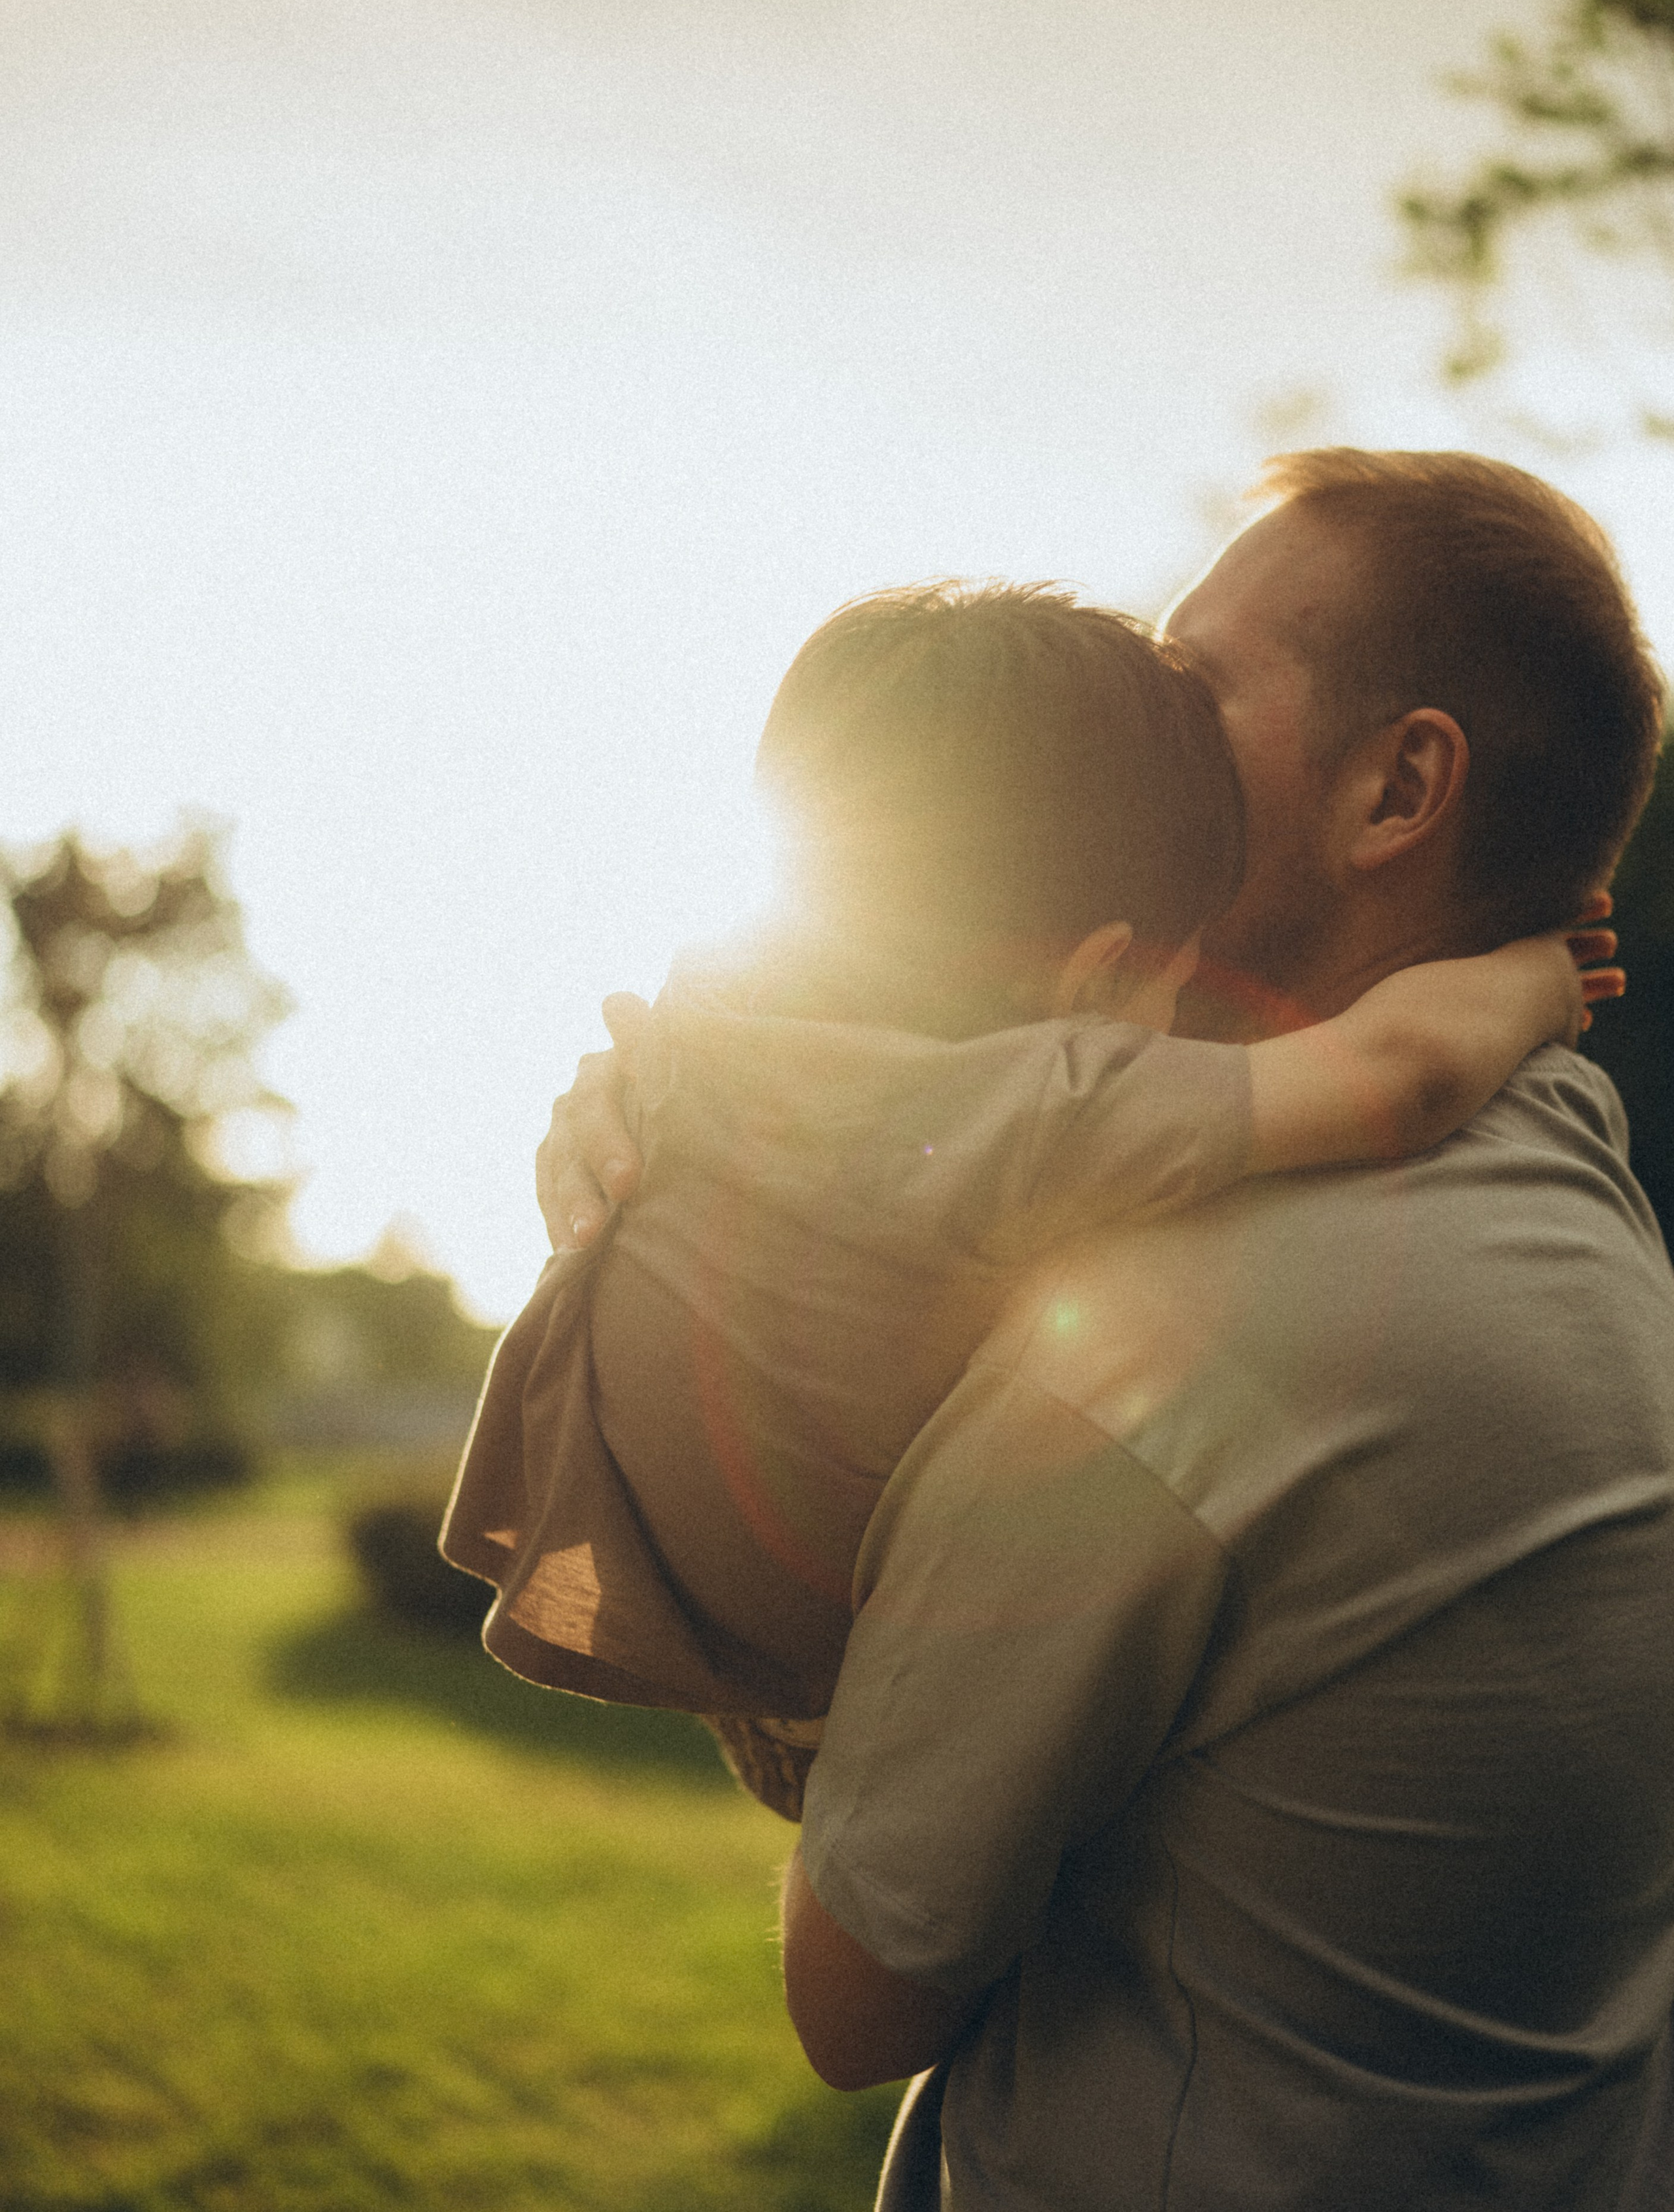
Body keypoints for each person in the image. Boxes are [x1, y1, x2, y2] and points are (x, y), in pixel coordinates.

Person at [546, 451, 1674, 2211]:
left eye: (1193, 679)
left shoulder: (1165, 1331)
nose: (1128, 716)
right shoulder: (1580, 1187)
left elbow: (855, 1991)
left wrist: (723, 1291)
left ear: (1402, 787)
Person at [443, 585, 1596, 1820]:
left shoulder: (700, 1019)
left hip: (615, 1523)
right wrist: (1537, 972)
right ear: (1104, 970)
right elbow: (1401, 1076)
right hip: (820, 1662)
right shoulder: (1043, 1103)